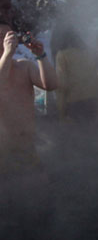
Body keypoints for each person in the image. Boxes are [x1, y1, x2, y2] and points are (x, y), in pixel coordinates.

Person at [0, 23, 57, 172]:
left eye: (9, 36)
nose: (7, 41)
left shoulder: (24, 66)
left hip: (26, 148)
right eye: (1, 37)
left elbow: (51, 85)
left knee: (37, 188)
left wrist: (41, 55)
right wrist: (6, 54)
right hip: (2, 154)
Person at [53, 26, 98, 121]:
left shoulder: (63, 55)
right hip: (93, 100)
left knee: (76, 133)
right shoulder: (90, 52)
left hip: (74, 103)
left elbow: (62, 85)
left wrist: (61, 113)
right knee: (92, 131)